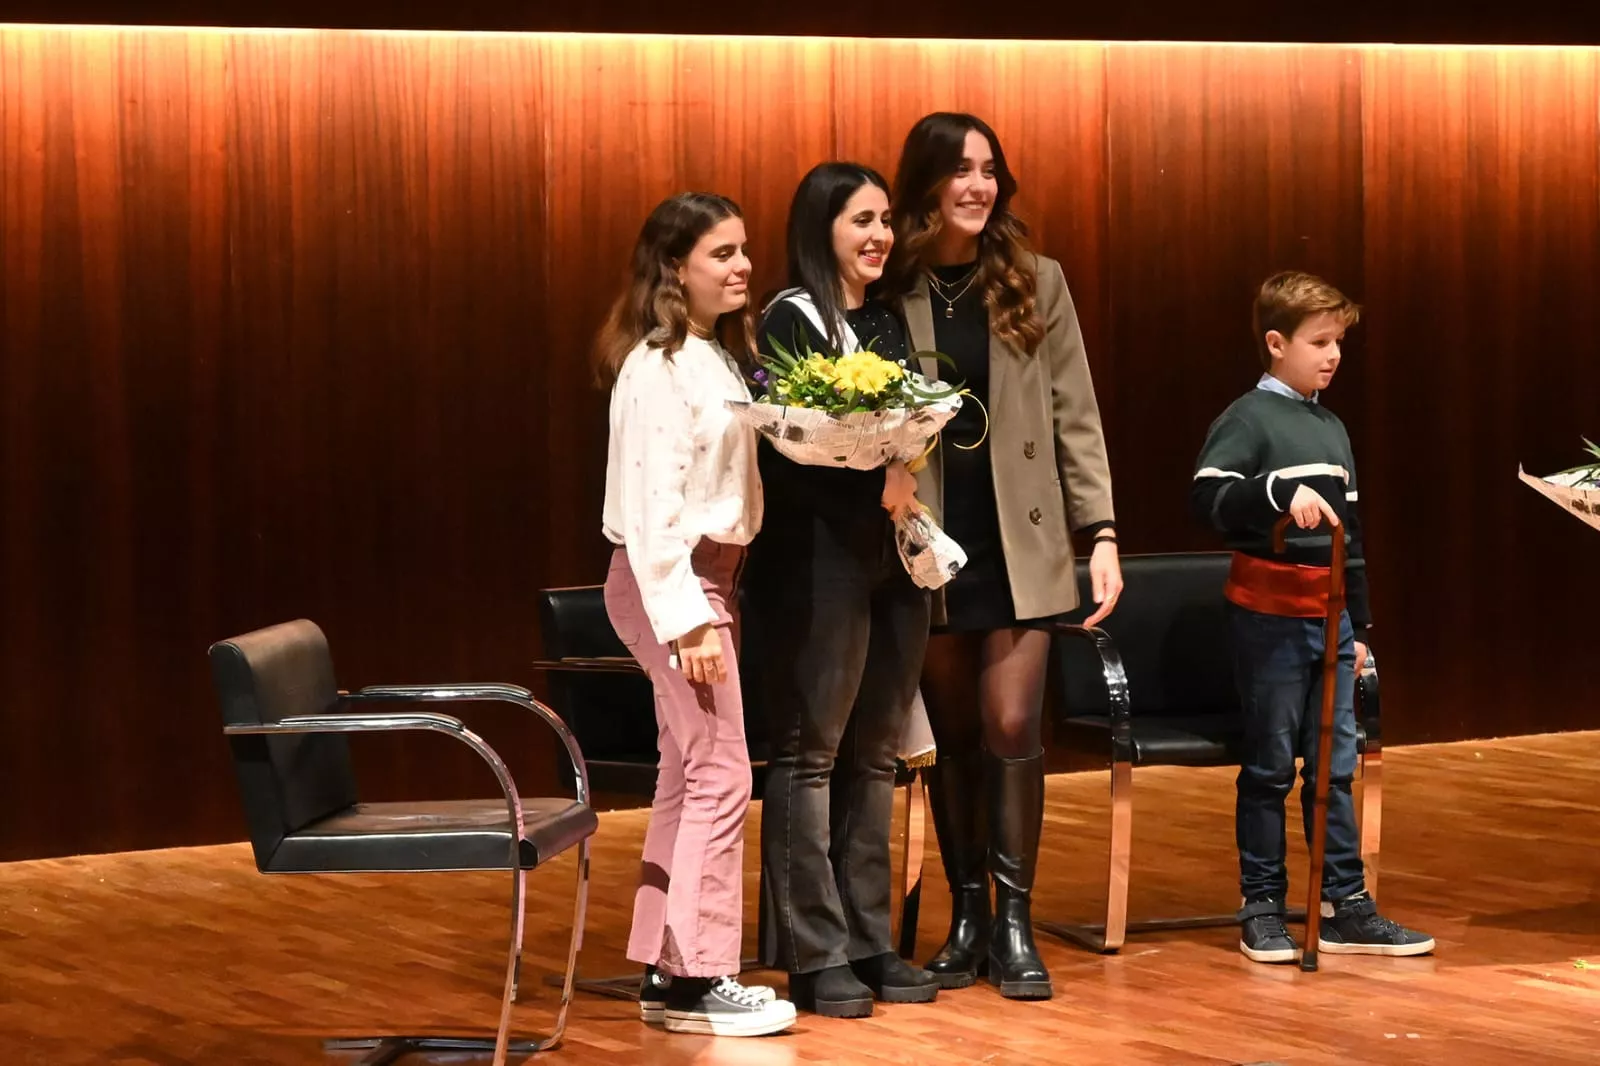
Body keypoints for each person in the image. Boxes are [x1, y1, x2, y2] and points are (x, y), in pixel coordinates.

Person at [882, 112, 1122, 1000]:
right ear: (927, 186)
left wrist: (1100, 532)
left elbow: (1076, 415)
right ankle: (969, 917)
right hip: (931, 542)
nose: (979, 186)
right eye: (960, 171)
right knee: (951, 738)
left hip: (1022, 536)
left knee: (1013, 725)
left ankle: (1016, 921)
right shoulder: (889, 283)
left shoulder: (1035, 280)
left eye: (990, 171)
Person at [1190, 270, 1434, 964]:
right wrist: (1276, 492)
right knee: (1269, 765)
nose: (1332, 355)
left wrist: (1362, 632)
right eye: (1318, 341)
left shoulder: (1331, 426)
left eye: (1339, 343)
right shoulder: (1246, 419)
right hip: (1268, 617)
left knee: (1334, 767)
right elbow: (1209, 498)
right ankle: (1262, 905)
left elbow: (1349, 540)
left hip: (1332, 623)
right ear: (1275, 343)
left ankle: (1343, 905)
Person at [597, 191, 796, 1036]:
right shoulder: (657, 367)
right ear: (676, 267)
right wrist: (687, 623)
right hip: (671, 585)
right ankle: (704, 973)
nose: (742, 264)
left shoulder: (715, 354)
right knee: (722, 771)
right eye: (722, 253)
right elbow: (651, 514)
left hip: (712, 578)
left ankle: (667, 969)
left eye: (744, 249)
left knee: (686, 771)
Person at [745, 161, 939, 1019]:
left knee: (874, 754)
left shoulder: (887, 321)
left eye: (886, 220)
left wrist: (905, 462)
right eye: (862, 219)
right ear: (822, 227)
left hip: (890, 555)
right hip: (818, 556)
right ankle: (813, 953)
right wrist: (878, 478)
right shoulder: (791, 318)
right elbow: (796, 448)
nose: (879, 235)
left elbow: (901, 429)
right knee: (811, 753)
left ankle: (871, 941)